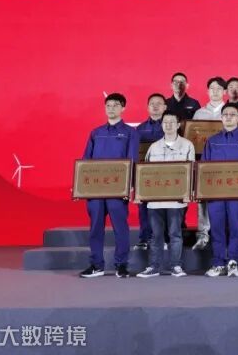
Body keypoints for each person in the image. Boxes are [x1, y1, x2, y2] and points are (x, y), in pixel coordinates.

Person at [79, 93, 140, 279]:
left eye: (115, 105)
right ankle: (96, 265)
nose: (111, 108)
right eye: (108, 105)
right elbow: (85, 161)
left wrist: (130, 185)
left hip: (117, 189)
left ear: (123, 108)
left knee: (120, 228)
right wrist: (81, 185)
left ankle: (121, 265)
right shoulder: (96, 133)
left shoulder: (130, 133)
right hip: (95, 190)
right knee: (95, 228)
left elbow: (132, 160)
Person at [136, 112, 194, 278]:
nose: (168, 125)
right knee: (156, 235)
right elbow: (144, 173)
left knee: (175, 234)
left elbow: (191, 172)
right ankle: (153, 267)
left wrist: (188, 193)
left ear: (178, 125)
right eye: (165, 122)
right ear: (162, 125)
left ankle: (176, 266)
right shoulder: (153, 147)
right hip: (155, 201)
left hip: (177, 200)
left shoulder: (187, 145)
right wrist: (141, 194)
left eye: (172, 122)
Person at [202, 104, 238, 278]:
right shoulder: (212, 140)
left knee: (235, 226)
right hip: (215, 192)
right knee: (216, 227)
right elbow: (204, 167)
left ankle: (233, 261)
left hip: (237, 192)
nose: (228, 117)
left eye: (232, 114)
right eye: (225, 114)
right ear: (221, 117)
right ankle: (218, 262)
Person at [132, 93, 167, 252]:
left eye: (159, 103)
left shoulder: (170, 126)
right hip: (145, 175)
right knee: (144, 208)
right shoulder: (139, 129)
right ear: (147, 107)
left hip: (166, 173)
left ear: (165, 107)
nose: (155, 106)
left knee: (164, 208)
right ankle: (144, 239)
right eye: (152, 103)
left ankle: (162, 239)